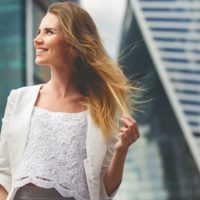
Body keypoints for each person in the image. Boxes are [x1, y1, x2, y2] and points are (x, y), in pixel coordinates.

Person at [0, 2, 140, 200]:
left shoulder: (101, 108)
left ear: (73, 44)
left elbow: (103, 190)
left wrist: (121, 150)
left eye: (48, 32)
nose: (37, 39)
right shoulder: (18, 99)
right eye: (39, 31)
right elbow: (3, 173)